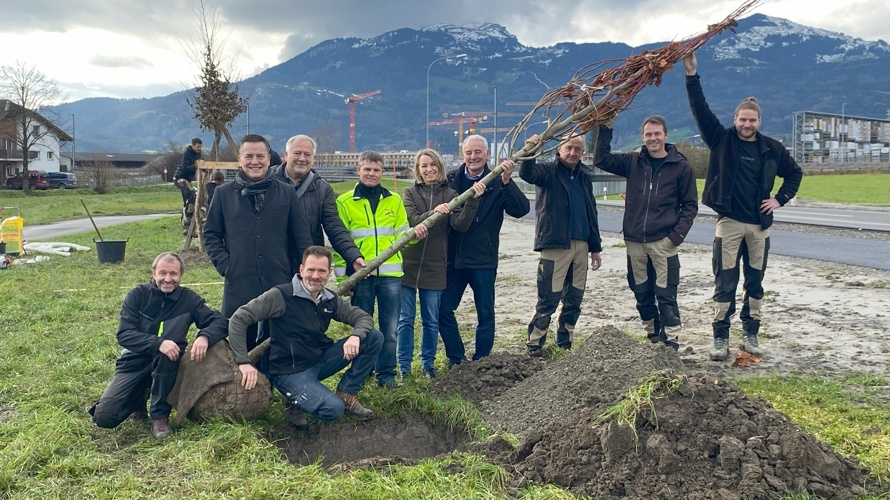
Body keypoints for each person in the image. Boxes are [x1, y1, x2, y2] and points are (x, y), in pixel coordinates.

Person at [683, 52, 803, 361]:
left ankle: (750, 334)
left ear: (759, 122)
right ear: (735, 120)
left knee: (755, 283)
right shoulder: (721, 140)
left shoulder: (772, 148)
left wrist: (779, 199)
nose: (746, 124)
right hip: (730, 223)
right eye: (742, 119)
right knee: (725, 281)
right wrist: (692, 76)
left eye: (752, 120)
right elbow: (700, 110)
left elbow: (795, 173)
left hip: (759, 226)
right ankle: (720, 337)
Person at [230, 246, 383, 428]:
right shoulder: (280, 296)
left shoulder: (329, 299)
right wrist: (243, 361)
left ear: (329, 273)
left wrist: (356, 336)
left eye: (321, 271)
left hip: (320, 360)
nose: (315, 276)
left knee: (373, 337)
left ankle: (346, 393)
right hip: (290, 372)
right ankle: (293, 401)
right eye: (311, 270)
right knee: (333, 410)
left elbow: (363, 318)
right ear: (301, 270)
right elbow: (239, 319)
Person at [89, 252, 228, 439]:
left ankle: (160, 416)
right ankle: (138, 398)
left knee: (167, 354)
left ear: (181, 275)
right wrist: (158, 343)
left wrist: (205, 337)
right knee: (104, 417)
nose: (168, 279)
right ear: (153, 272)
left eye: (173, 274)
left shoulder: (188, 299)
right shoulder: (137, 296)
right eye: (162, 273)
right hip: (134, 361)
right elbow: (124, 334)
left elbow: (220, 321)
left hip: (168, 364)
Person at [593, 117, 698, 348]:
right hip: (635, 243)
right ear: (643, 137)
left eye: (657, 133)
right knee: (641, 292)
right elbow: (601, 159)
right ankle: (652, 336)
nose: (653, 138)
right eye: (648, 134)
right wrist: (605, 128)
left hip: (664, 242)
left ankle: (670, 342)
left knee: (666, 294)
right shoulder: (633, 161)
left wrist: (676, 237)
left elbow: (690, 206)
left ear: (666, 135)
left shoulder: (681, 167)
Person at [203, 134, 313, 354]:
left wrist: (298, 273)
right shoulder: (224, 194)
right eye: (249, 156)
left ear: (269, 158)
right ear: (240, 159)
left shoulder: (286, 192)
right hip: (240, 283)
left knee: (278, 348)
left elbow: (301, 238)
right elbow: (211, 234)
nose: (255, 161)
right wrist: (226, 265)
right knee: (242, 348)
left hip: (278, 282)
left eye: (260, 156)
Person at [438, 135, 530, 365]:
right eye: (469, 153)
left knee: (485, 314)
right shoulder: (450, 181)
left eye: (478, 152)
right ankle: (457, 359)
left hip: (483, 259)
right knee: (443, 310)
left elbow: (521, 210)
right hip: (454, 259)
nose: (473, 157)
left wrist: (507, 182)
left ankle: (482, 360)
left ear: (487, 154)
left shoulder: (497, 181)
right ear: (463, 155)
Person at [333, 150, 421, 389]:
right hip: (361, 276)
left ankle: (386, 374)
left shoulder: (394, 200)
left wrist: (414, 235)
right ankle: (363, 372)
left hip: (391, 276)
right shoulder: (344, 202)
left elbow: (402, 234)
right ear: (358, 170)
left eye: (376, 170)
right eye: (367, 169)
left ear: (382, 172)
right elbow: (340, 242)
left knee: (390, 329)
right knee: (362, 328)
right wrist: (343, 278)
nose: (371, 173)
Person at [398, 148, 483, 378]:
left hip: (435, 265)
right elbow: (411, 221)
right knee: (406, 319)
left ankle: (428, 364)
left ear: (440, 167)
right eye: (424, 165)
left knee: (431, 319)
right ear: (418, 170)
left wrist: (472, 202)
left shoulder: (451, 194)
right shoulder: (409, 193)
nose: (429, 169)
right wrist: (434, 213)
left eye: (433, 164)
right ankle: (404, 367)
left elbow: (460, 225)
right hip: (408, 265)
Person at [520, 133, 603, 354]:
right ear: (560, 149)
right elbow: (527, 174)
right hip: (555, 245)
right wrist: (531, 149)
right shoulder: (548, 171)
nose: (573, 153)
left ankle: (564, 344)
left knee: (574, 298)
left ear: (583, 152)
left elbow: (591, 213)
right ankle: (535, 346)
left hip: (581, 246)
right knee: (548, 298)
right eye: (569, 148)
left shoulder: (584, 177)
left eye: (578, 149)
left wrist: (595, 248)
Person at [273, 134, 365, 274]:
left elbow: (334, 226)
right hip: (273, 264)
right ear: (286, 155)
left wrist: (353, 256)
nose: (302, 158)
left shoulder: (322, 189)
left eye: (307, 154)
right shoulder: (268, 184)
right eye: (297, 153)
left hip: (308, 266)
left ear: (313, 158)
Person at [174, 138, 203, 230]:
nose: (199, 149)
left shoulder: (198, 154)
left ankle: (185, 218)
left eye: (200, 147)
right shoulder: (186, 154)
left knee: (187, 199)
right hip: (180, 178)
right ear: (193, 145)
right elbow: (184, 167)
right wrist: (195, 166)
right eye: (198, 147)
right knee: (191, 195)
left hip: (188, 179)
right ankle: (188, 221)